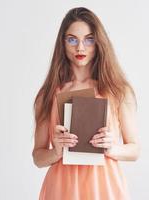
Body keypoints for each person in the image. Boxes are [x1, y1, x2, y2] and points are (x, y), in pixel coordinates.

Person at [32, 7, 140, 200]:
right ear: (62, 43)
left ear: (99, 43)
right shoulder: (48, 94)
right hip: (62, 188)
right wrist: (56, 151)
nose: (80, 47)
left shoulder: (118, 91)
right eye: (72, 39)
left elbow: (134, 150)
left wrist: (112, 147)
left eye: (89, 39)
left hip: (105, 187)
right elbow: (38, 157)